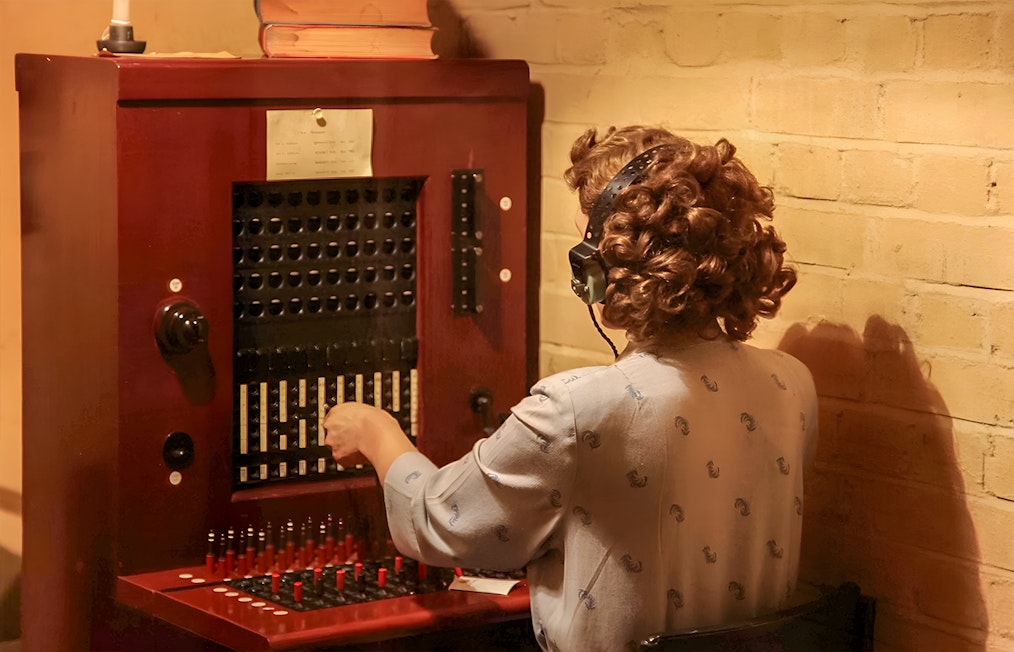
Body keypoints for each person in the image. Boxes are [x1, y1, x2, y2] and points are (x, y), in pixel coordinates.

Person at [323, 125, 818, 651]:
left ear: (603, 267)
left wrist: (377, 434)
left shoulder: (578, 408)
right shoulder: (792, 383)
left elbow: (441, 520)